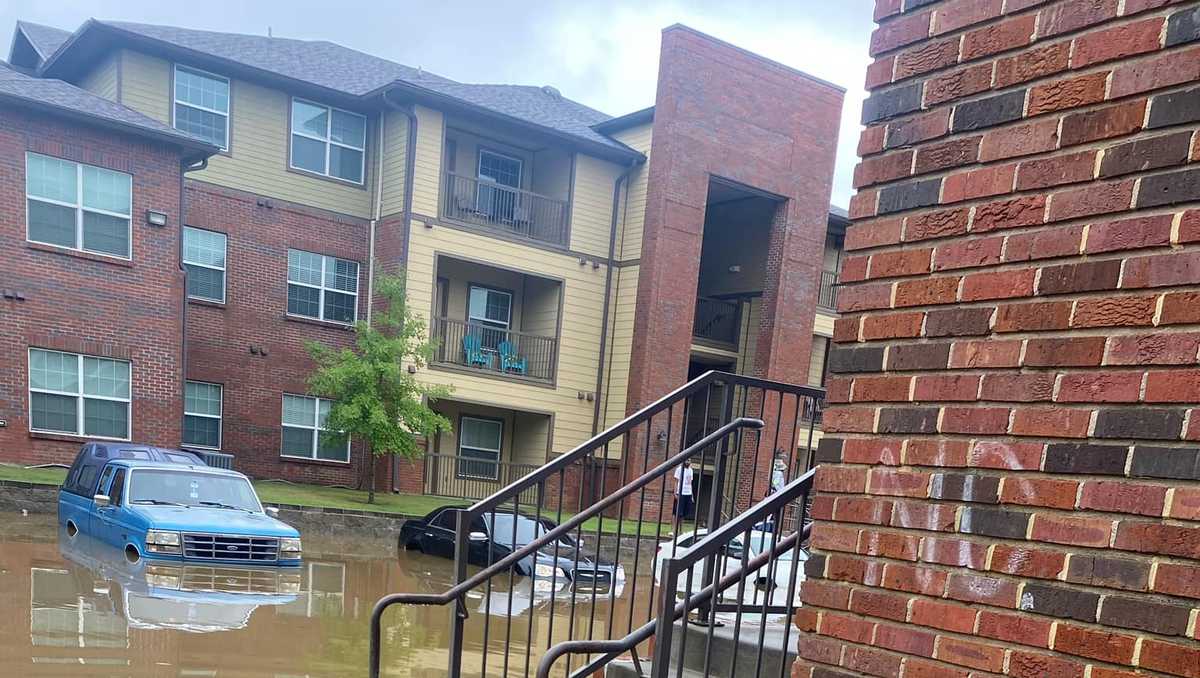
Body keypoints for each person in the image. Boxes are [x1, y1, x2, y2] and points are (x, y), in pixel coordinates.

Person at [672, 458, 695, 532]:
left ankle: (681, 530)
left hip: (688, 493)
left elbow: (690, 483)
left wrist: (692, 495)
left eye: (689, 461)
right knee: (676, 513)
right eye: (686, 460)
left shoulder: (691, 470)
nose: (688, 462)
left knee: (684, 513)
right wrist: (675, 493)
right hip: (680, 493)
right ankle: (673, 530)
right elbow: (676, 481)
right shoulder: (679, 469)